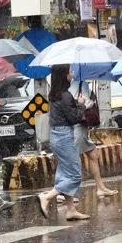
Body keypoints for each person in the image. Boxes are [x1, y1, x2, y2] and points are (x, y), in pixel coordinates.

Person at [37, 65, 90, 221]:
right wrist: (81, 104)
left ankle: (71, 210)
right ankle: (47, 197)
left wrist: (74, 103)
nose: (71, 74)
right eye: (69, 71)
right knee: (74, 175)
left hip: (56, 136)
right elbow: (74, 117)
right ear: (63, 75)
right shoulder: (65, 96)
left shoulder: (54, 95)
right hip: (64, 136)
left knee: (64, 174)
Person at [71, 80, 118, 199]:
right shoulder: (80, 83)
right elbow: (84, 104)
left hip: (76, 126)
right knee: (72, 159)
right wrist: (91, 101)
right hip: (79, 127)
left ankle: (100, 187)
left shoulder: (66, 85)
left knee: (92, 154)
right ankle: (64, 194)